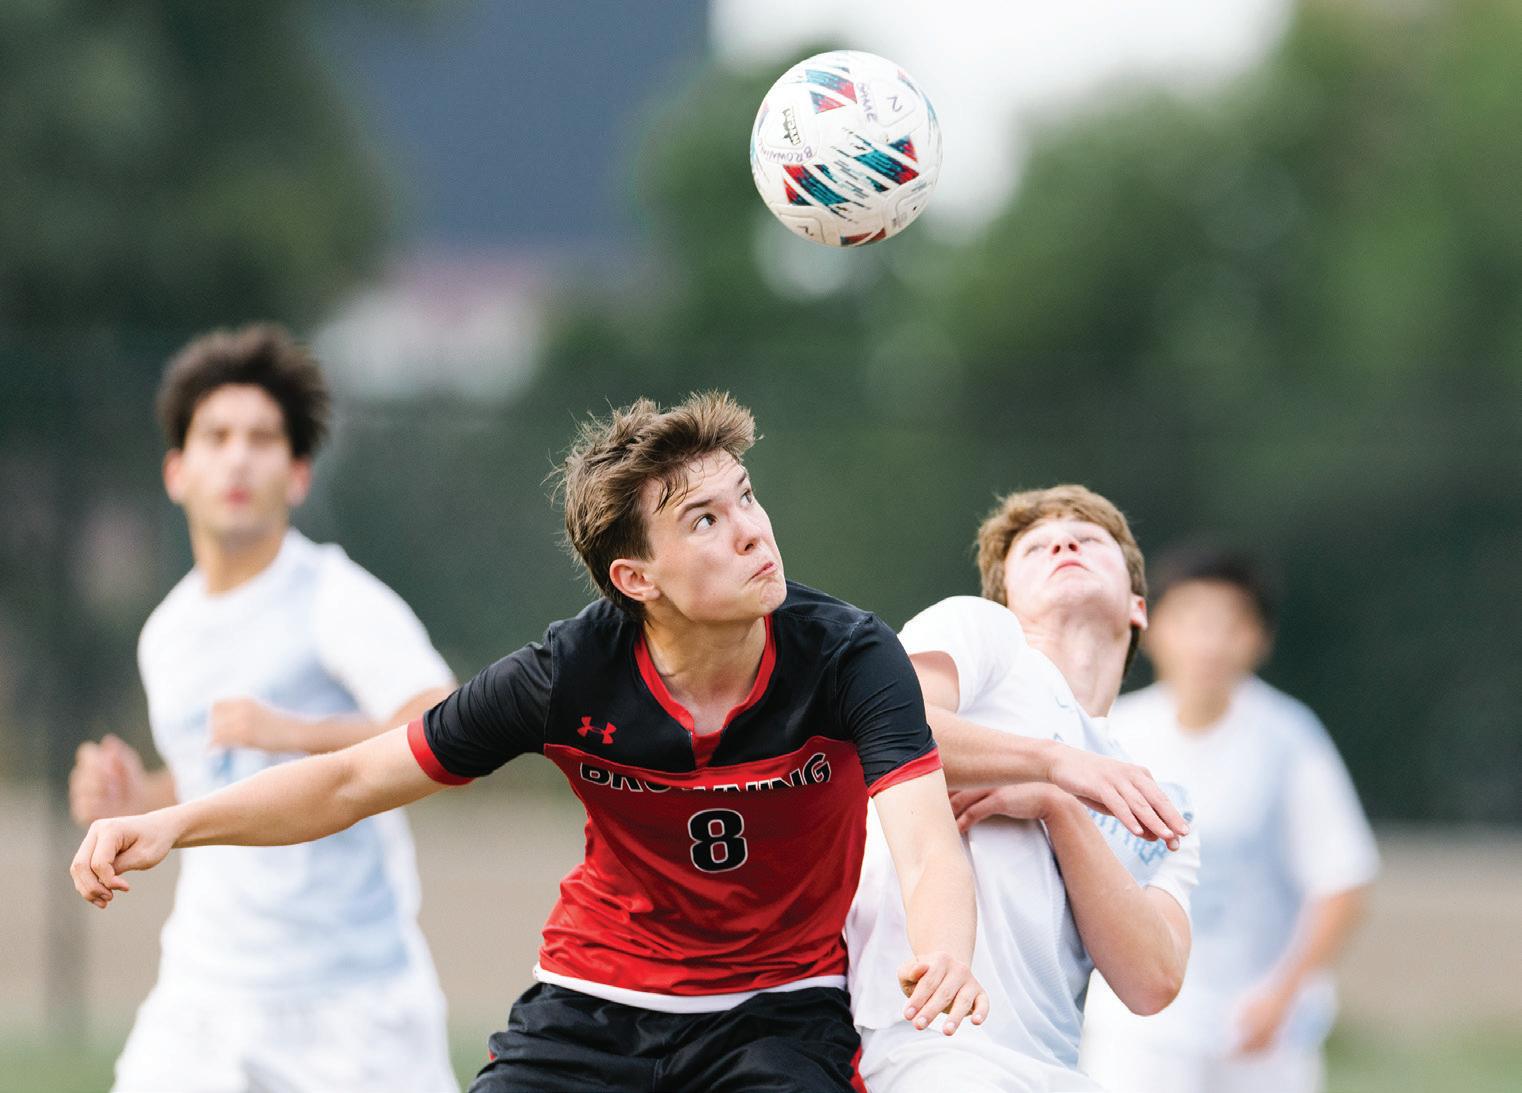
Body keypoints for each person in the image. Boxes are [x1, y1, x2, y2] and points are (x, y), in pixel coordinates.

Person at [73, 391, 1005, 1093]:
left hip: (779, 1014)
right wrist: (172, 823)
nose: (753, 532)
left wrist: (946, 949)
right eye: (706, 520)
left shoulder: (849, 656)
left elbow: (926, 846)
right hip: (594, 1003)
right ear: (637, 578)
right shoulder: (568, 675)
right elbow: (354, 779)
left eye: (746, 497)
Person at [66, 324, 460, 1092]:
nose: (239, 457)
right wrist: (137, 797)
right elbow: (214, 778)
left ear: (299, 474)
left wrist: (297, 732)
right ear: (177, 471)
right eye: (216, 436)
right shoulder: (167, 633)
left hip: (352, 1000)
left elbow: (451, 728)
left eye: (262, 438)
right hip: (204, 990)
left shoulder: (336, 598)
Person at [847, 484, 1199, 1093]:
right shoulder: (986, 635)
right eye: (1036, 548)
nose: (1063, 544)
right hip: (929, 1041)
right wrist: (1051, 764)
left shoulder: (1154, 797)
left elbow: (1154, 981)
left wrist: (1059, 809)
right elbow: (884, 727)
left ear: (1137, 606)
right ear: (1006, 599)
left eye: (1089, 539)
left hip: (1054, 1067)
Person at [1079, 545, 1379, 1093]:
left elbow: (1343, 878)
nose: (1208, 643)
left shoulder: (1289, 739)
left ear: (1259, 639)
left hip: (1260, 1031)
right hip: (1137, 1032)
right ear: (1152, 627)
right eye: (1191, 620)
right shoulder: (1115, 733)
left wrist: (1283, 994)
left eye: (1229, 625)